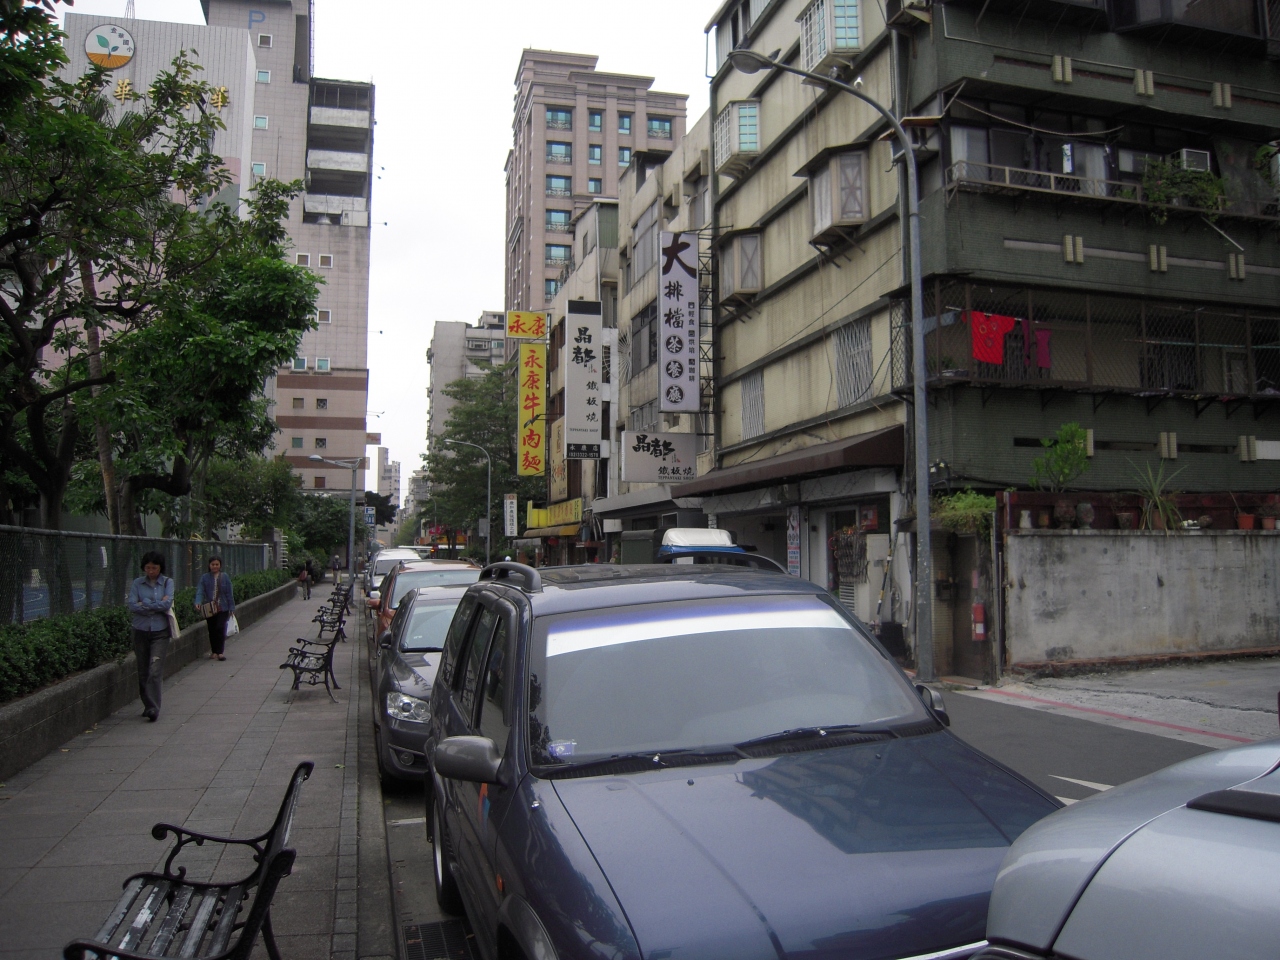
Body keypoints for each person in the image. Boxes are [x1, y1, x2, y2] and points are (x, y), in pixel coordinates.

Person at [127, 551, 174, 722]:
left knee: (155, 670)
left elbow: (167, 604)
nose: (151, 571)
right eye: (147, 568)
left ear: (160, 568)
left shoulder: (167, 582)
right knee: (143, 671)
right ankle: (147, 705)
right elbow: (132, 605)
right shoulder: (137, 583)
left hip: (160, 631)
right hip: (140, 630)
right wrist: (155, 605)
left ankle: (154, 708)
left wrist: (145, 603)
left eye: (154, 568)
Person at [194, 556, 235, 661]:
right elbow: (200, 590)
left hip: (223, 608)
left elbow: (229, 593)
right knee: (212, 629)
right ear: (209, 565)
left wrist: (231, 608)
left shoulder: (225, 577)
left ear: (220, 565)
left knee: (220, 627)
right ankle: (214, 651)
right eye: (213, 564)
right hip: (210, 609)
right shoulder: (205, 578)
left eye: (217, 564)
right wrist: (198, 602)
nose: (215, 566)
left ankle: (220, 652)